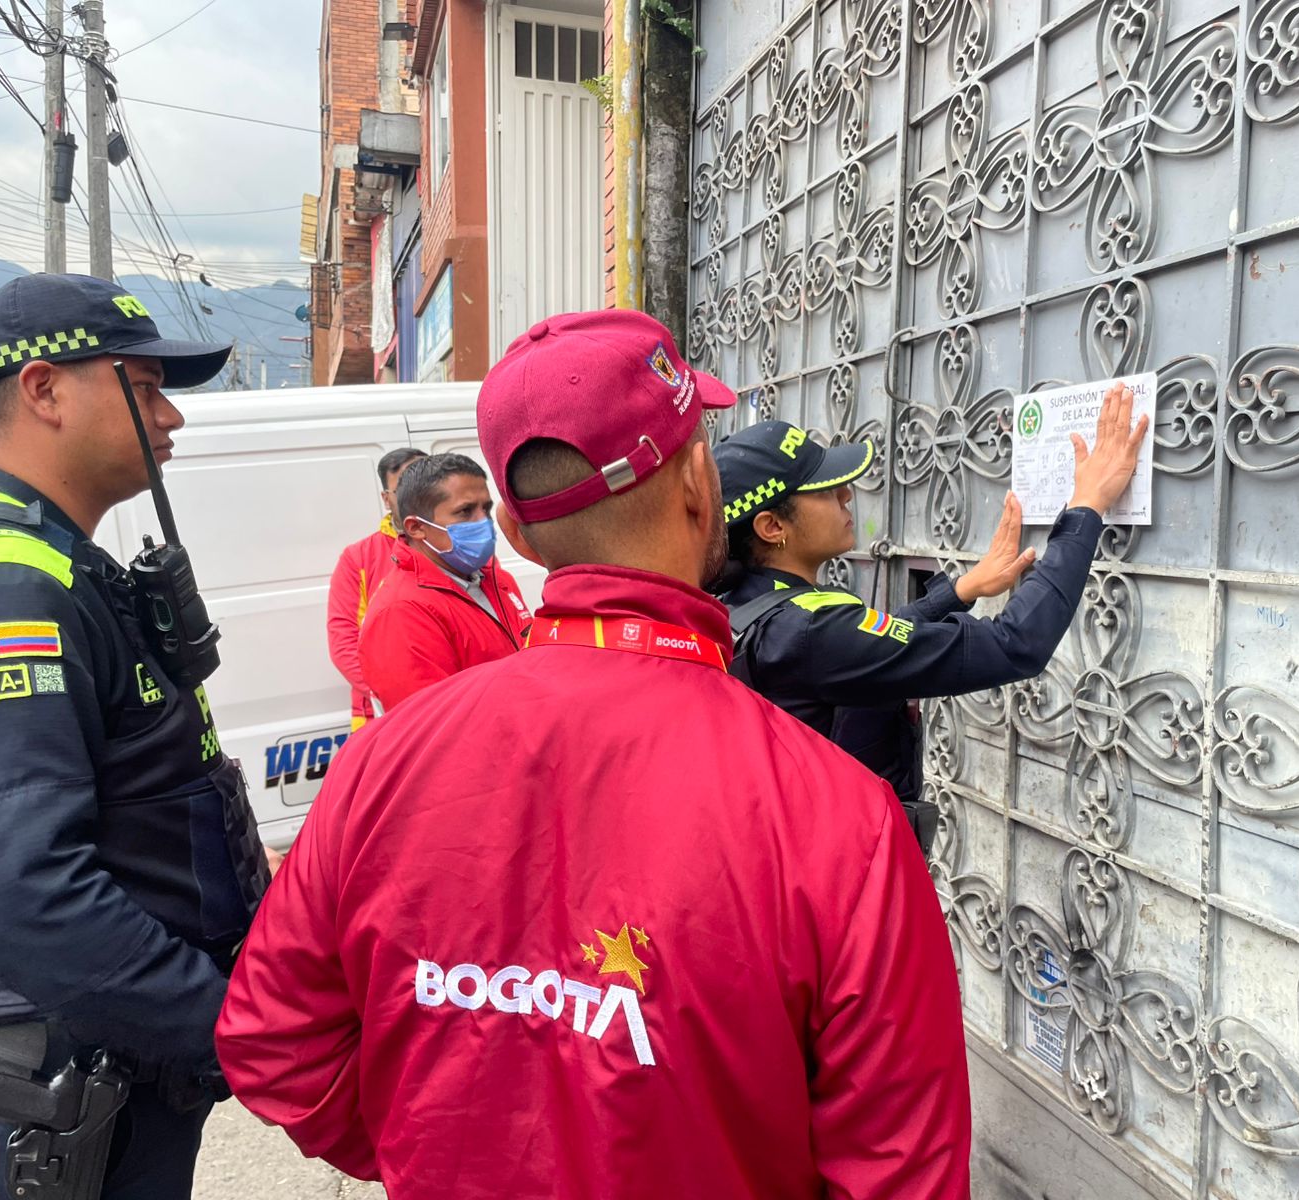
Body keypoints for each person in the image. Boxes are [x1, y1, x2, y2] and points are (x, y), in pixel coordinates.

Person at [215, 310, 973, 1198]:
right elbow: (906, 1172)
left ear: (514, 532)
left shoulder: (379, 766)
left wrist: (436, 1151)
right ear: (700, 485)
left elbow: (272, 1042)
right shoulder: (837, 813)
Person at [0, 274, 269, 1199]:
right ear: (44, 390)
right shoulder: (2, 589)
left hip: (116, 1090)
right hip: (56, 1118)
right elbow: (27, 894)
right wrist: (242, 1031)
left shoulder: (59, 562)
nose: (171, 417)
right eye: (144, 388)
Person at [713, 387, 1148, 847]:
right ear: (772, 527)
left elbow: (865, 650)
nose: (845, 494)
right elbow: (1014, 645)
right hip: (852, 869)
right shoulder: (807, 630)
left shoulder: (749, 607)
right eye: (822, 489)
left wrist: (960, 591)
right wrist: (1086, 509)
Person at [357, 452, 529, 711]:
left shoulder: (497, 580)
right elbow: (432, 723)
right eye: (465, 511)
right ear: (416, 527)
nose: (484, 522)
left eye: (485, 508)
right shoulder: (401, 612)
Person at [328, 447, 429, 730]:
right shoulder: (359, 558)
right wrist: (397, 694)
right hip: (384, 716)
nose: (418, 495)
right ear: (386, 498)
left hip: (455, 704)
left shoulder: (461, 549)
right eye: (405, 487)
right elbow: (344, 643)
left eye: (427, 484)